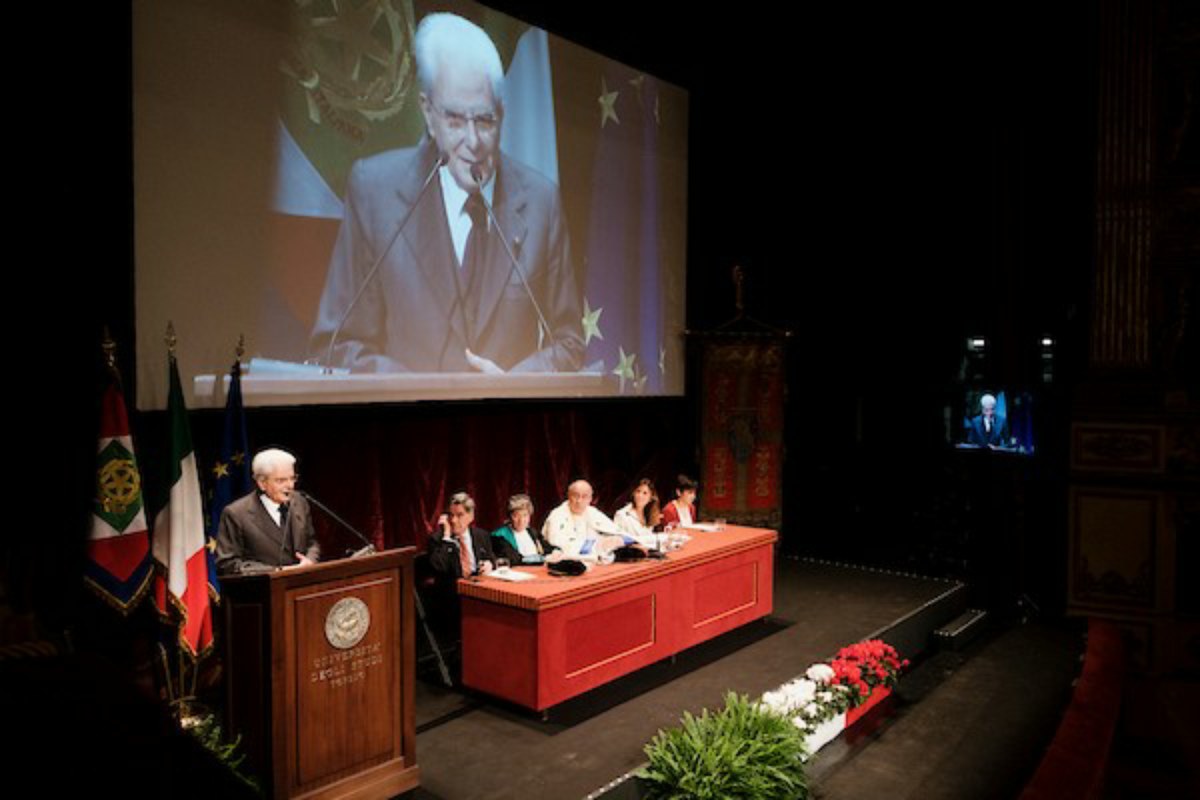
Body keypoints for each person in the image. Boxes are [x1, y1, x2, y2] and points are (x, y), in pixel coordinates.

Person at [308, 12, 584, 374]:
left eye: (485, 120)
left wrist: (513, 386)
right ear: (428, 113)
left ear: (502, 113)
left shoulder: (541, 202)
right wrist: (417, 392)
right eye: (455, 120)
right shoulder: (374, 191)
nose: (472, 142)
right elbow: (335, 345)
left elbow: (569, 345)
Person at [216, 448, 321, 575]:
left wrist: (310, 560)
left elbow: (311, 542)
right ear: (262, 483)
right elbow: (227, 564)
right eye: (281, 480)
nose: (290, 486)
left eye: (292, 478)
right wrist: (275, 572)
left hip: (301, 589)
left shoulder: (299, 502)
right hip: (261, 591)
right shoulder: (236, 514)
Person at [541, 480, 624, 559]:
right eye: (576, 496)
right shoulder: (557, 515)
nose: (579, 501)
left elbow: (617, 531)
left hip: (594, 559)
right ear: (569, 496)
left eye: (584, 496)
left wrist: (612, 541)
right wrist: (591, 546)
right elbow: (555, 543)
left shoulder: (593, 512)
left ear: (590, 499)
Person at [428, 492, 495, 579]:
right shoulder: (437, 539)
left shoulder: (481, 535)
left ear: (471, 516)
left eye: (459, 515)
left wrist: (490, 565)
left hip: (479, 587)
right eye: (451, 515)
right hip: (453, 590)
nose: (453, 520)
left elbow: (491, 558)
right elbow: (439, 567)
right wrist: (447, 537)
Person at [491, 493, 553, 564]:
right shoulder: (500, 536)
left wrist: (556, 552)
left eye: (525, 515)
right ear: (509, 517)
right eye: (516, 516)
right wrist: (543, 558)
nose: (521, 520)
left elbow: (548, 548)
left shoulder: (531, 532)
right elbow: (514, 559)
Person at [614, 478, 662, 548]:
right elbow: (616, 541)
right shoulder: (622, 514)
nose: (640, 495)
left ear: (651, 498)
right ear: (633, 493)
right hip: (631, 555)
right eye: (638, 491)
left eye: (645, 493)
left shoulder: (650, 514)